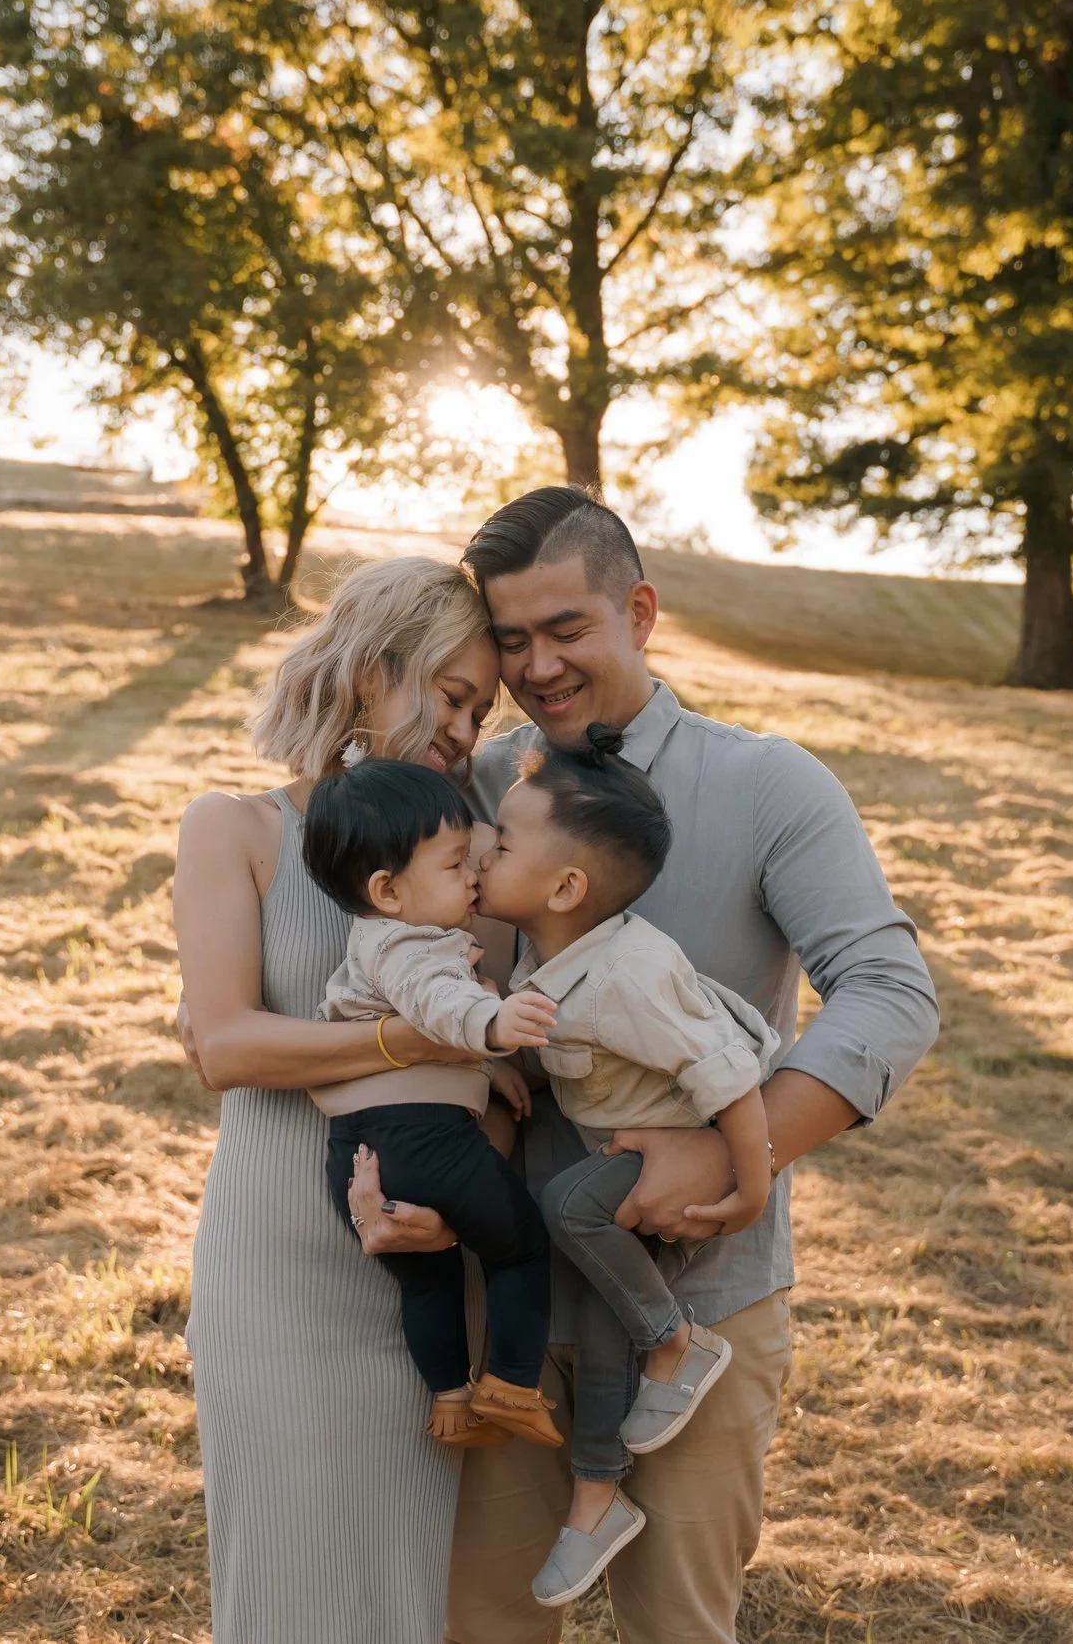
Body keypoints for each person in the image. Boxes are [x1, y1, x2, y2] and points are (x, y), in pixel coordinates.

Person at [346, 488, 941, 1644]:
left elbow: (888, 991)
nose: (536, 665)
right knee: (482, 1628)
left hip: (700, 1299)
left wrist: (735, 1144)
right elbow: (395, 983)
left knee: (677, 1628)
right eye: (510, 638)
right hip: (498, 1301)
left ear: (641, 610)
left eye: (566, 628)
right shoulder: (467, 790)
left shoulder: (771, 784)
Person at [174, 556, 516, 1644]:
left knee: (398, 1595)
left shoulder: (464, 862)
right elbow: (225, 1043)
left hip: (416, 1257)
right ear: (373, 673)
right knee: (280, 1587)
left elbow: (495, 1077)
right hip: (274, 1263)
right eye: (453, 695)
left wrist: (462, 1195)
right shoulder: (234, 829)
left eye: (481, 709)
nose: (467, 729)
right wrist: (399, 1038)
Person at [467, 726, 779, 1607]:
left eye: (503, 843)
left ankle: (678, 1340)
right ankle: (597, 1500)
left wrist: (748, 1180)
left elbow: (724, 1070)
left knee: (570, 1209)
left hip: (670, 1161)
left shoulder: (629, 974)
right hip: (624, 1155)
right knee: (602, 1324)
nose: (483, 854)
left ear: (566, 885)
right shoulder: (551, 953)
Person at [303, 757, 561, 1449]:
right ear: (387, 889)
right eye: (454, 866)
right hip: (425, 1137)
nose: (474, 876)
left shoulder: (379, 941)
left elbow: (435, 1041)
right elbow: (439, 1003)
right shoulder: (410, 942)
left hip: (359, 1150)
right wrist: (494, 1022)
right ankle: (509, 1380)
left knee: (428, 1279)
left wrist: (490, 1068)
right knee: (520, 1246)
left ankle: (450, 1400)